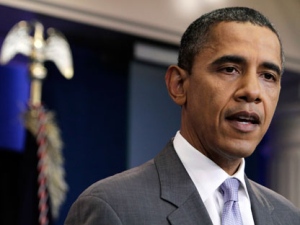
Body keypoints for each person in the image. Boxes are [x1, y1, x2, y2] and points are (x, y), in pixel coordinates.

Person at [64, 7, 300, 225]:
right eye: (230, 69)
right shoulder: (112, 207)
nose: (252, 91)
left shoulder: (287, 217)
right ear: (179, 85)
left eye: (268, 76)